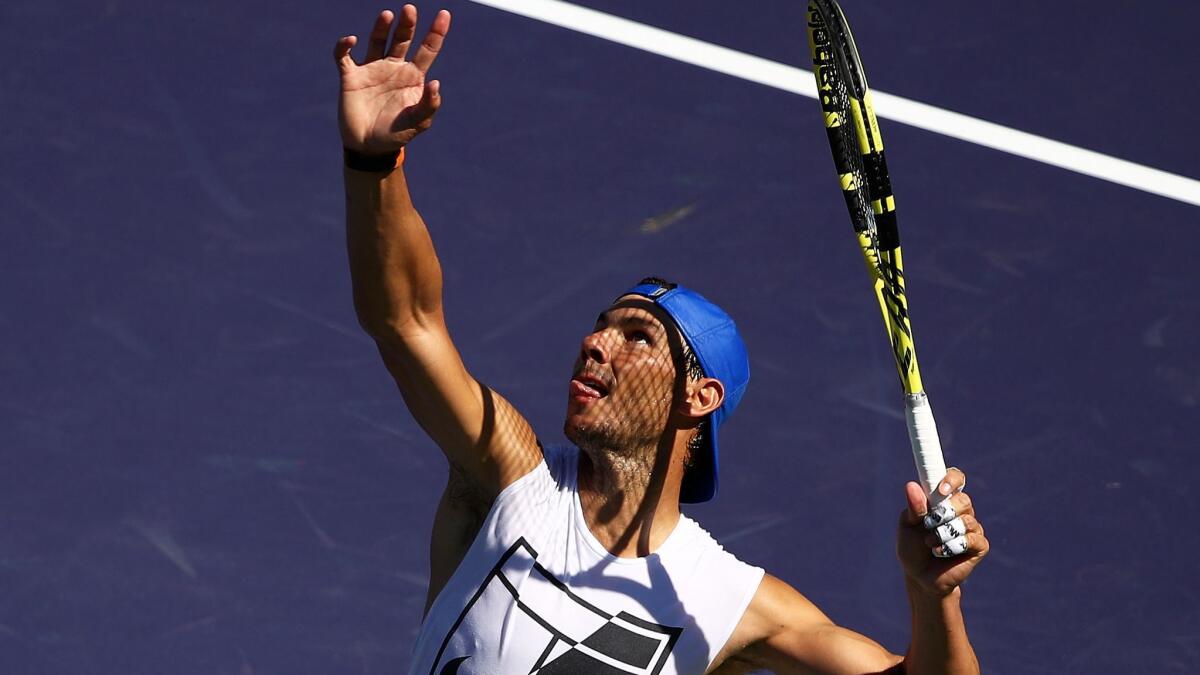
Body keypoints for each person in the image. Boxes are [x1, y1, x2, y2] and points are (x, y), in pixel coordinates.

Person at [334, 7, 989, 674]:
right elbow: (405, 318)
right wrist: (374, 164)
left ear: (700, 395)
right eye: (601, 325)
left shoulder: (732, 604)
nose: (595, 344)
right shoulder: (510, 476)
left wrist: (933, 594)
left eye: (636, 336)